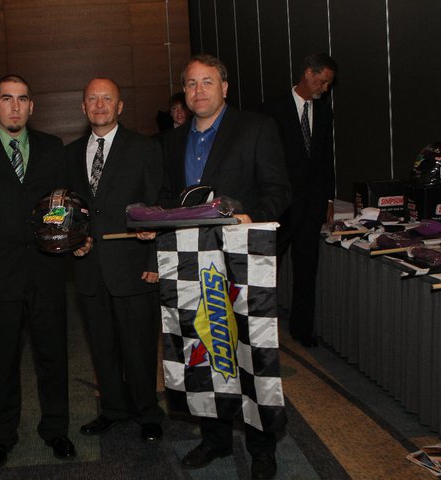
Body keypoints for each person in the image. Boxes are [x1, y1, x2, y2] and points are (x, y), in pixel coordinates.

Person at [157, 55, 290, 480]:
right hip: (191, 263)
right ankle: (214, 439)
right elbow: (168, 197)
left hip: (241, 261)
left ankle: (262, 448)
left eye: (207, 82)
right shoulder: (172, 140)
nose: (198, 91)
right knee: (202, 345)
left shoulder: (256, 128)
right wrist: (153, 222)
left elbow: (278, 189)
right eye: (191, 83)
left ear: (225, 87)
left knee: (249, 349)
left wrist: (253, 216)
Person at [0, 74, 76, 468]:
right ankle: (1, 437)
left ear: (32, 106)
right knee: (0, 361)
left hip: (46, 271)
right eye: (7, 99)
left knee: (53, 356)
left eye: (22, 99)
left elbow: (63, 206)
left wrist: (74, 238)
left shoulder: (52, 148)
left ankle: (56, 430)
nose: (15, 106)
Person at [65, 77, 165, 443]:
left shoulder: (145, 149)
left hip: (134, 267)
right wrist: (72, 243)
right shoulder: (69, 154)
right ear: (83, 107)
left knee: (139, 346)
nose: (99, 105)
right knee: (102, 346)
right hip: (89, 269)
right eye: (92, 99)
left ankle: (147, 411)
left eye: (107, 98)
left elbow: (159, 204)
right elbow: (67, 210)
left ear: (120, 106)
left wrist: (155, 260)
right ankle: (112, 409)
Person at [261, 53, 337, 348]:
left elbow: (326, 159)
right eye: (323, 81)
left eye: (329, 84)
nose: (325, 88)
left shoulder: (325, 113)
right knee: (269, 269)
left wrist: (328, 198)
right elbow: (264, 160)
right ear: (308, 73)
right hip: (280, 206)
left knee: (307, 270)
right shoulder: (272, 109)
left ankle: (302, 329)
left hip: (311, 205)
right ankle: (262, 326)